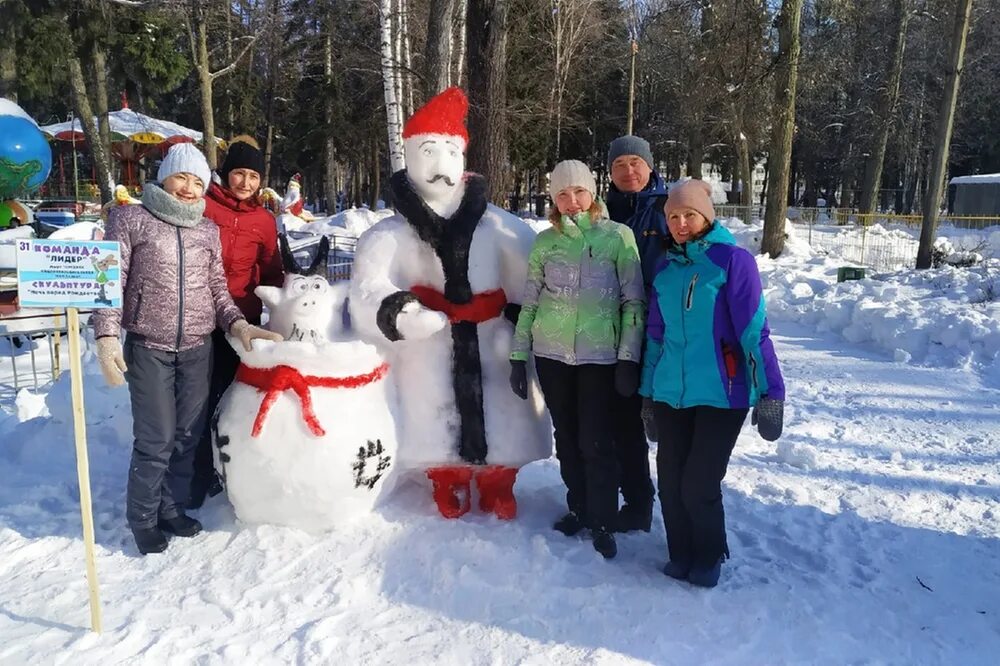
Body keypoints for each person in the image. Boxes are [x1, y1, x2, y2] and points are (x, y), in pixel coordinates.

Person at [348, 87, 550, 521]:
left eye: (449, 151)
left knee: (503, 412)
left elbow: (535, 272)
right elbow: (367, 287)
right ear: (408, 156)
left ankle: (499, 481)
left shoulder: (501, 225)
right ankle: (446, 477)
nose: (440, 165)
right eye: (427, 150)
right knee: (433, 410)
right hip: (429, 345)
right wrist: (398, 311)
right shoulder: (390, 233)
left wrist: (528, 319)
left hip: (492, 337)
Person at [92, 143, 282, 555]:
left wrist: (238, 324)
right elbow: (108, 280)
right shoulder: (131, 219)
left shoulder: (206, 230)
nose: (189, 188)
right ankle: (142, 517)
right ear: (165, 177)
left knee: (186, 435)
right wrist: (106, 335)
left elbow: (217, 288)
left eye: (197, 181)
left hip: (198, 346)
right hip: (149, 344)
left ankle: (170, 507)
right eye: (182, 178)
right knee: (156, 438)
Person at [639, 179, 785, 587]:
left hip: (723, 394)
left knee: (699, 482)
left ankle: (707, 554)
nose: (681, 223)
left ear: (706, 216)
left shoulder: (733, 261)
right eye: (672, 217)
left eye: (689, 215)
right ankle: (680, 552)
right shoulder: (665, 268)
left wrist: (772, 392)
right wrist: (647, 395)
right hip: (671, 393)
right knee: (669, 481)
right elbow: (655, 336)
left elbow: (755, 331)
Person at [510, 160, 645, 559]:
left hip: (600, 358)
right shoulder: (545, 242)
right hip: (551, 355)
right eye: (563, 194)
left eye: (579, 192)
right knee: (566, 437)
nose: (572, 201)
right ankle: (580, 508)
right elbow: (530, 300)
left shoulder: (618, 237)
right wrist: (519, 354)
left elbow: (633, 301)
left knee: (596, 440)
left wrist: (628, 358)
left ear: (593, 193)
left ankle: (603, 518)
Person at [189, 135, 285, 509]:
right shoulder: (203, 207)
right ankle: (193, 474)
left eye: (253, 176)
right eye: (239, 174)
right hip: (198, 317)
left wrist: (280, 310)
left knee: (227, 397)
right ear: (225, 175)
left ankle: (220, 467)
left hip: (241, 321)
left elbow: (272, 273)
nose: (245, 183)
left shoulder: (264, 220)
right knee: (195, 399)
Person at [604, 134, 666, 532]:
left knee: (650, 422)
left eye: (635, 163)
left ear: (649, 166)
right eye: (620, 164)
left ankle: (656, 500)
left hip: (655, 332)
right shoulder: (600, 211)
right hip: (605, 331)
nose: (629, 171)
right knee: (615, 420)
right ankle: (627, 498)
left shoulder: (667, 209)